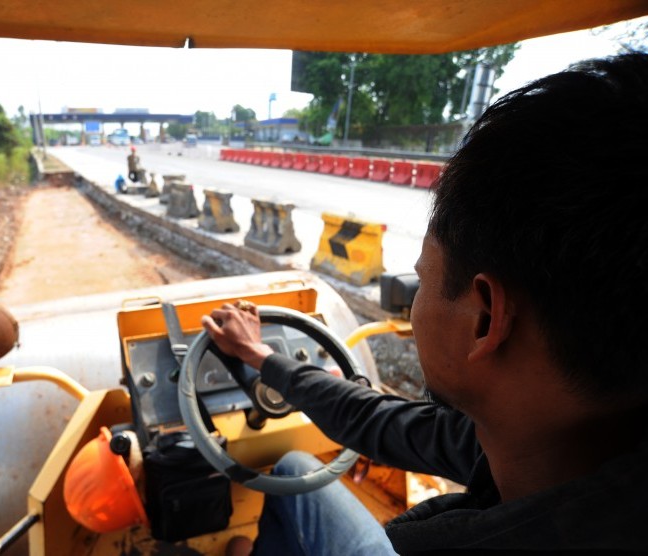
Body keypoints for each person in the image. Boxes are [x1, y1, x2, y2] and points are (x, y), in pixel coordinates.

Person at [203, 52, 648, 555]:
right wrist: (261, 357)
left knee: (291, 474)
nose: (415, 305)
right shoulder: (540, 428)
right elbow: (375, 420)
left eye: (421, 283)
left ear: (484, 320)